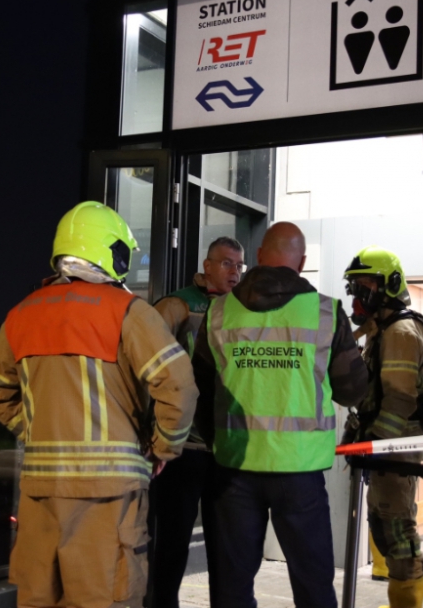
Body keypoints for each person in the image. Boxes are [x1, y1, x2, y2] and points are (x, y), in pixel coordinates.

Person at [0, 201, 198, 608]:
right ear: (113, 252)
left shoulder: (22, 313)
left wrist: (33, 431)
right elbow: (180, 386)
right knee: (105, 598)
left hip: (40, 491)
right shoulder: (128, 313)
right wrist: (163, 447)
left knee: (37, 598)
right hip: (108, 495)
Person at [191, 222, 369, 608]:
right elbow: (353, 390)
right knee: (314, 586)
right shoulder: (326, 312)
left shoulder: (219, 312)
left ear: (257, 256)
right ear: (302, 262)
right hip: (300, 474)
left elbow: (199, 390)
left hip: (234, 468)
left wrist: (219, 439)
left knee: (232, 588)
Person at [149, 236, 245, 607]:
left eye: (239, 265)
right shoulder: (178, 305)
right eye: (226, 263)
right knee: (172, 543)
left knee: (226, 546)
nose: (234, 271)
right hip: (184, 447)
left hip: (226, 447)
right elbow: (149, 364)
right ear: (206, 266)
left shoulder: (244, 309)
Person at [342, 246, 423, 608]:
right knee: (383, 525)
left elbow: (399, 399)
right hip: (383, 445)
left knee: (397, 530)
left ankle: (408, 603)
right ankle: (401, 598)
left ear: (389, 284)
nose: (359, 295)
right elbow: (372, 394)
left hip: (394, 448)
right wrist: (357, 431)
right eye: (356, 286)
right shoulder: (380, 329)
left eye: (367, 285)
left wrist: (374, 444)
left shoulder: (401, 332)